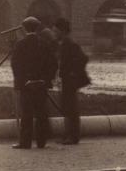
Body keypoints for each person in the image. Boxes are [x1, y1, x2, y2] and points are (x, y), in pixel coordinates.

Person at [11, 17, 58, 149]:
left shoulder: (20, 44)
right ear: (37, 28)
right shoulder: (45, 44)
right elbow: (53, 64)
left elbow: (15, 65)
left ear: (25, 29)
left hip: (26, 85)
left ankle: (25, 142)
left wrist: (23, 81)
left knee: (26, 114)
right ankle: (41, 142)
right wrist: (46, 79)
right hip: (41, 84)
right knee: (41, 113)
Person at [52, 17, 90, 145]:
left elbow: (84, 59)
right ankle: (68, 134)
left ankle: (73, 136)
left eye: (56, 31)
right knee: (66, 107)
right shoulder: (64, 44)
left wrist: (73, 73)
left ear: (63, 31)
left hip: (70, 82)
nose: (54, 34)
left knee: (71, 108)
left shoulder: (70, 45)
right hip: (66, 81)